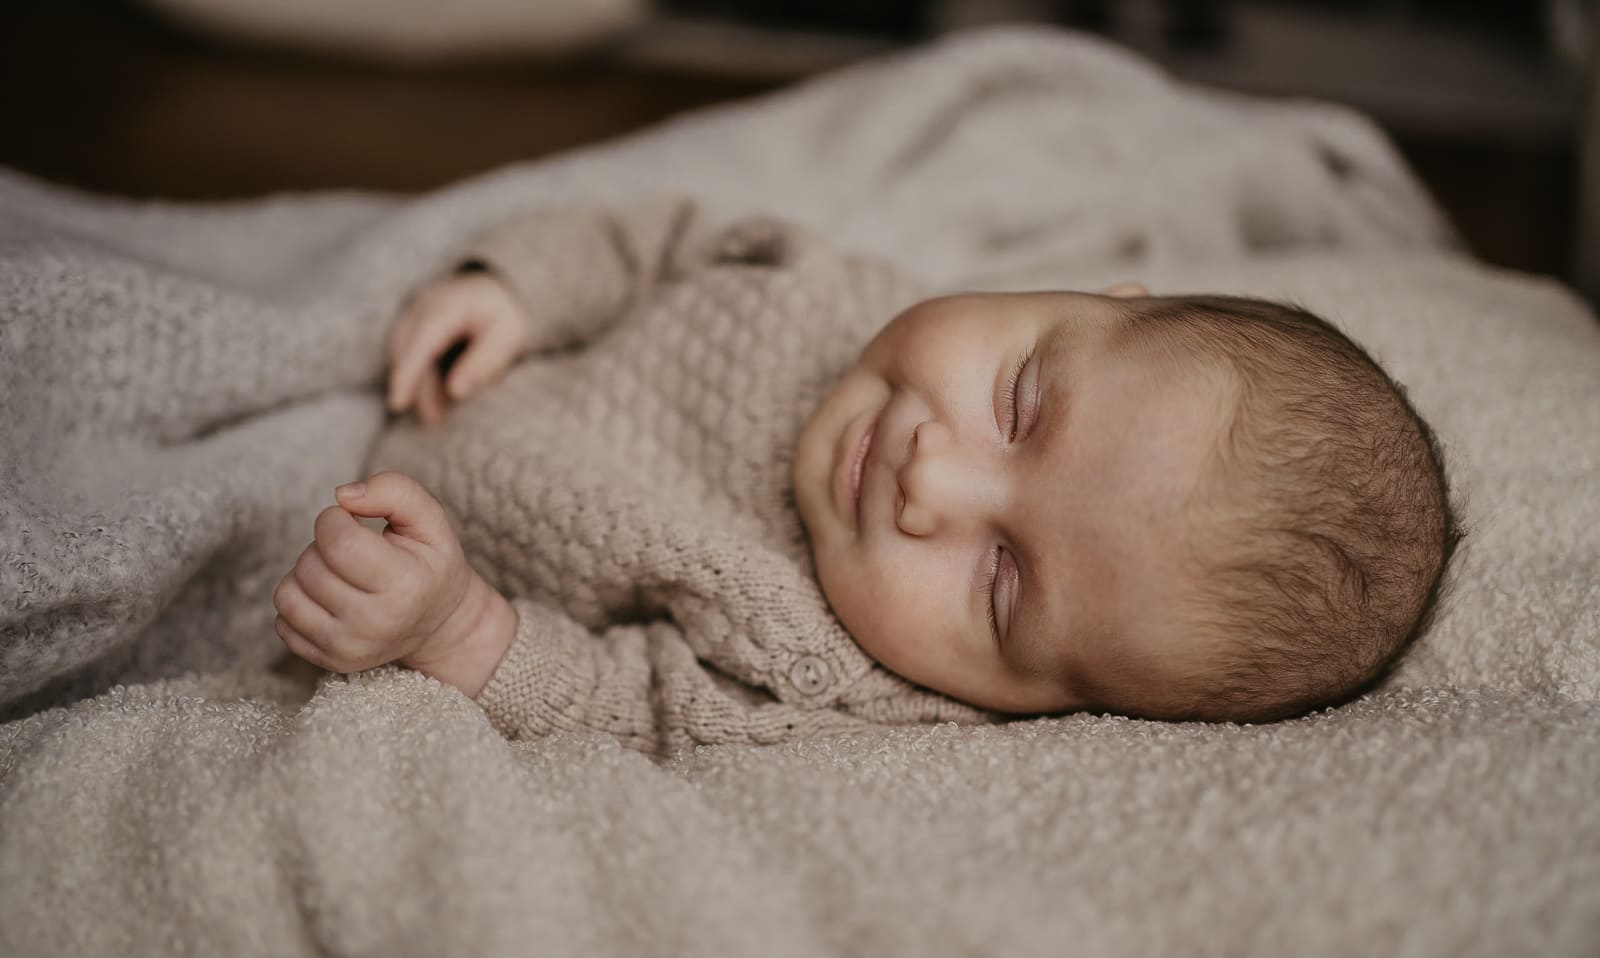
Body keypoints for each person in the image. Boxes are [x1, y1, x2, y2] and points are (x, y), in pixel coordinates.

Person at [271, 199, 1460, 757]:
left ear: (1049, 709)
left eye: (1001, 582)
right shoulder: (838, 291)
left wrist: (452, 623)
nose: (928, 481)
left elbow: (620, 705)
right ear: (1095, 298)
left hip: (356, 535)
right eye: (1019, 406)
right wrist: (518, 288)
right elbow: (657, 241)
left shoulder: (823, 665)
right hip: (421, 354)